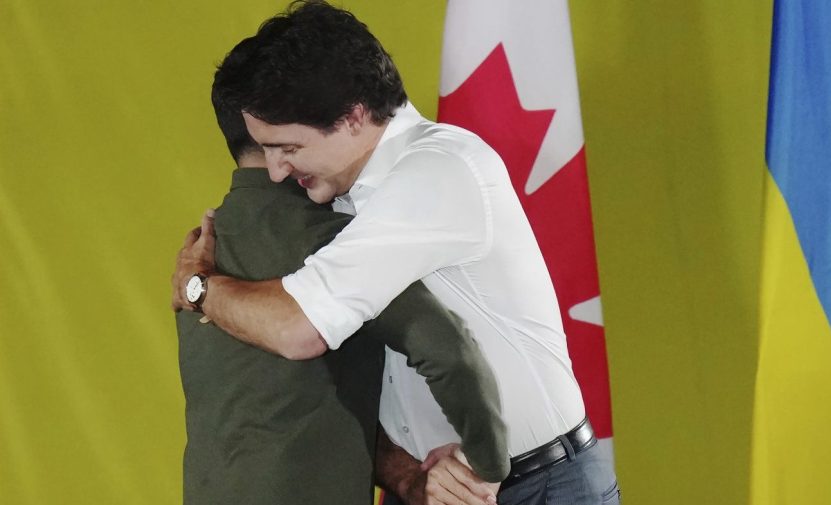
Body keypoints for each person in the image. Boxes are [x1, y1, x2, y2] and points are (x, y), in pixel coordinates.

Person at [171, 2, 619, 504]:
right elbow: (348, 382)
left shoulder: (437, 171)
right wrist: (407, 474)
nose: (275, 171)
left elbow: (299, 329)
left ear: (353, 115)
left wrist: (199, 288)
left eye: (289, 148)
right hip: (425, 488)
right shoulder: (334, 197)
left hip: (534, 488)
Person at [175, 34, 509, 505]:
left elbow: (309, 403)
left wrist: (405, 478)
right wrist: (490, 468)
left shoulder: (201, 254)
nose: (279, 169)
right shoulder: (331, 239)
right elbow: (448, 351)